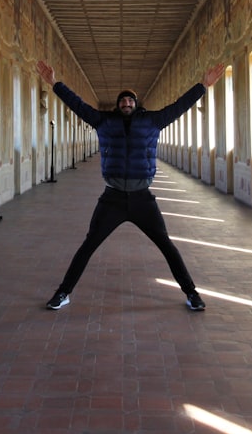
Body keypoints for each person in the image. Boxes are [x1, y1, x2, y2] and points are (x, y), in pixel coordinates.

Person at [36, 59, 226, 311]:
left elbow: (180, 106)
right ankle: (63, 293)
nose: (126, 103)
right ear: (118, 105)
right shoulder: (103, 122)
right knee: (88, 245)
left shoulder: (153, 122)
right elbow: (78, 105)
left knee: (167, 246)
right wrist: (55, 84)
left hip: (142, 199)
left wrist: (203, 86)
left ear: (136, 104)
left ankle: (191, 293)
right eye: (122, 100)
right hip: (112, 198)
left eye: (131, 100)